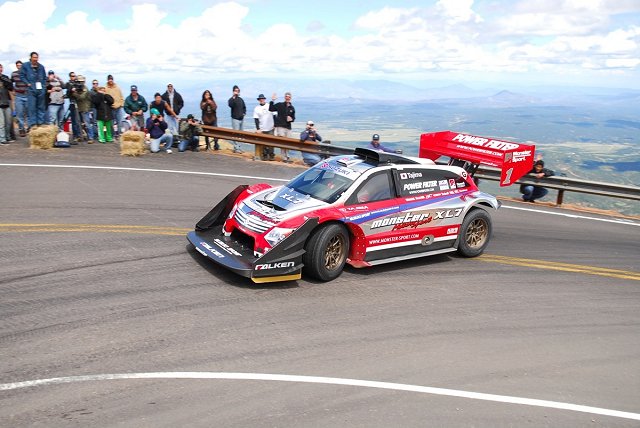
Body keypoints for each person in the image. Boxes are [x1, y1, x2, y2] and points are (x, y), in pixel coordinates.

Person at [19, 52, 47, 129]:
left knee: (41, 106)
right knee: (32, 107)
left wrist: (44, 87)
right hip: (31, 88)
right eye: (34, 57)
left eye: (36, 57)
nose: (35, 59)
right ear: (31, 57)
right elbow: (21, 75)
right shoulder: (25, 65)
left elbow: (45, 78)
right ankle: (33, 124)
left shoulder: (41, 67)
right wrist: (27, 83)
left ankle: (41, 122)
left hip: (40, 88)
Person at [269, 92, 295, 162]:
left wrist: (291, 119)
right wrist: (273, 100)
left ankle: (288, 156)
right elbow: (271, 109)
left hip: (288, 127)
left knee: (288, 142)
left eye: (289, 97)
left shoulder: (292, 108)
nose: (287, 98)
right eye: (286, 96)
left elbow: (293, 118)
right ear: (284, 97)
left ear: (290, 98)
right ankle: (284, 158)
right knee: (283, 142)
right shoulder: (280, 105)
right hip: (280, 126)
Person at [69, 75, 96, 143]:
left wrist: (74, 93)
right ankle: (79, 136)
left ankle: (91, 137)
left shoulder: (85, 89)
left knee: (87, 123)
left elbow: (81, 97)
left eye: (81, 82)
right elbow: (69, 95)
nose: (80, 83)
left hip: (84, 108)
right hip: (77, 108)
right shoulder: (75, 87)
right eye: (78, 81)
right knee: (78, 123)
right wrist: (71, 91)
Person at [253, 93, 275, 160]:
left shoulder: (269, 106)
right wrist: (258, 128)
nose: (261, 100)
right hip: (262, 128)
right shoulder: (257, 108)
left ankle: (271, 155)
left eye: (262, 99)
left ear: (264, 99)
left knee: (271, 142)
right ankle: (265, 155)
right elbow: (256, 119)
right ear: (259, 100)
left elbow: (274, 115)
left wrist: (275, 124)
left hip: (271, 127)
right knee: (264, 143)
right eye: (260, 99)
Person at [11, 60, 29, 137]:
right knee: (20, 113)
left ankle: (29, 128)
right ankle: (21, 129)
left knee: (28, 112)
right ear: (16, 66)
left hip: (27, 95)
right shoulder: (14, 74)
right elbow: (10, 83)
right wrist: (13, 90)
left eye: (20, 65)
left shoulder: (27, 73)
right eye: (18, 65)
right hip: (18, 95)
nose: (19, 66)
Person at [65, 71, 82, 141]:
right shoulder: (68, 84)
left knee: (79, 120)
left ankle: (79, 135)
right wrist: (71, 90)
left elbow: (80, 89)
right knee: (74, 120)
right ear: (70, 77)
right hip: (72, 103)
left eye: (74, 76)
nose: (73, 77)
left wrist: (75, 89)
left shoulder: (77, 83)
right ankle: (75, 135)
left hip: (79, 103)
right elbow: (68, 93)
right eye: (72, 76)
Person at [227, 85, 245, 153]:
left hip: (241, 119)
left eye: (238, 91)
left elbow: (244, 107)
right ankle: (236, 148)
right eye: (235, 91)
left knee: (241, 134)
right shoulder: (231, 99)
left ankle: (239, 148)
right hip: (235, 119)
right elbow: (230, 105)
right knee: (236, 134)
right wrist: (233, 97)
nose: (237, 92)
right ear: (233, 91)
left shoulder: (241, 99)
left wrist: (244, 113)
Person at [0, 63, 14, 144]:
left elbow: (11, 87)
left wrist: (2, 78)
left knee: (8, 122)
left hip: (6, 101)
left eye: (1, 67)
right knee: (1, 123)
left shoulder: (5, 77)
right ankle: (2, 139)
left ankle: (7, 137)